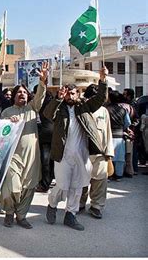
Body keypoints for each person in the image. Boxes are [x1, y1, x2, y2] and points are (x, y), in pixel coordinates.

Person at [44, 67, 108, 231]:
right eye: (67, 94)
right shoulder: (59, 109)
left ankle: (70, 215)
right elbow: (47, 113)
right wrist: (57, 99)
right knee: (62, 185)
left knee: (78, 186)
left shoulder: (85, 107)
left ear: (78, 94)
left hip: (82, 155)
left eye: (73, 93)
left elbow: (101, 98)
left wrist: (102, 79)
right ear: (64, 94)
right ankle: (52, 204)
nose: (70, 96)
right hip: (63, 155)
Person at [0, 62, 48, 229]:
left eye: (24, 92)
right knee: (12, 186)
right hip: (13, 156)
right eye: (19, 92)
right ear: (14, 96)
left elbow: (40, 97)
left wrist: (42, 82)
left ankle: (21, 216)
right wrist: (7, 122)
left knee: (29, 187)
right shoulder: (7, 112)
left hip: (32, 157)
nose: (22, 94)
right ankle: (8, 212)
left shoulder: (32, 109)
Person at [79, 84, 114, 219]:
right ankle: (79, 203)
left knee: (100, 181)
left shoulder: (104, 111)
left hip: (100, 152)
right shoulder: (81, 108)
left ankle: (96, 206)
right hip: (83, 152)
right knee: (81, 180)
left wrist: (109, 151)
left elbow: (108, 131)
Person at [106, 90, 131, 181]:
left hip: (108, 136)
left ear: (109, 98)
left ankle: (109, 175)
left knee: (108, 156)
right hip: (120, 136)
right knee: (120, 158)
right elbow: (127, 123)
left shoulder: (106, 109)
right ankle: (118, 175)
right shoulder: (123, 110)